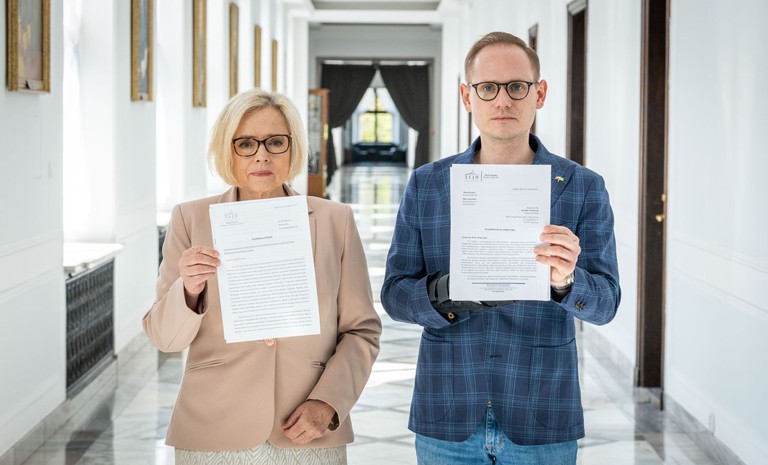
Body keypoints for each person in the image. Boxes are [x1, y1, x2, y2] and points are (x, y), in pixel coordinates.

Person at [380, 31, 620, 464]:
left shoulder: (583, 187)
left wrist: (566, 282)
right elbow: (395, 295)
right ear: (467, 97)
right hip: (447, 407)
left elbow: (606, 305)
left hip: (542, 410)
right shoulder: (428, 184)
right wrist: (451, 291)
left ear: (539, 93)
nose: (503, 100)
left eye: (517, 87)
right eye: (487, 88)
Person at [143, 88, 382, 465]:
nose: (262, 155)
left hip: (307, 429)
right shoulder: (190, 219)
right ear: (227, 150)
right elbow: (164, 338)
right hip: (213, 426)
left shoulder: (335, 221)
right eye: (245, 144)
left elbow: (361, 330)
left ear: (293, 147)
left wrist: (328, 402)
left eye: (275, 142)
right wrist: (187, 290)